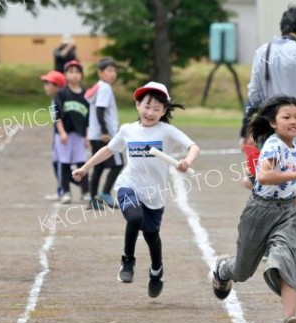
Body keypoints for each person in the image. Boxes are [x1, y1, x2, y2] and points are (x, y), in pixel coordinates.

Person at [72, 82, 199, 298]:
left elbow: (193, 146)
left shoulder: (166, 131)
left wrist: (187, 160)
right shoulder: (128, 130)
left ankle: (156, 270)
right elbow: (108, 150)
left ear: (164, 111)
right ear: (138, 105)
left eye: (157, 108)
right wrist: (85, 168)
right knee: (134, 218)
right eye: (147, 106)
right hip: (128, 185)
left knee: (152, 237)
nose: (150, 112)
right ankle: (127, 262)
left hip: (154, 195)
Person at [212, 96, 296, 323]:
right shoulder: (273, 145)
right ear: (272, 122)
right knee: (243, 270)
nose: (294, 121)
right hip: (260, 212)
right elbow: (265, 176)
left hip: (287, 213)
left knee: (287, 256)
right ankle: (223, 269)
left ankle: (290, 320)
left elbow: (288, 180)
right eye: (287, 117)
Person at [246, 4, 296, 262]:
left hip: (270, 131)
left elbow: (254, 95)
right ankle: (288, 245)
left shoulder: (262, 52)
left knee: (267, 185)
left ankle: (267, 242)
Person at [86, 57, 124, 210]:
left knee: (98, 166)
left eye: (114, 70)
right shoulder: (105, 88)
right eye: (109, 70)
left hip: (94, 134)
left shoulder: (98, 87)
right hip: (105, 135)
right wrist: (105, 131)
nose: (112, 74)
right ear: (100, 73)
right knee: (118, 164)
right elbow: (100, 110)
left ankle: (92, 199)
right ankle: (105, 193)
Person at [54, 60, 91, 204]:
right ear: (65, 74)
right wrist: (62, 132)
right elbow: (57, 116)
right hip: (65, 135)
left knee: (82, 164)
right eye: (71, 72)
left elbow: (88, 118)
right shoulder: (62, 94)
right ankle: (66, 192)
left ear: (81, 75)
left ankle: (85, 191)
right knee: (65, 164)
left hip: (80, 135)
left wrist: (87, 136)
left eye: (77, 72)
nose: (74, 75)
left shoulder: (86, 95)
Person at [40, 70, 67, 201]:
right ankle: (61, 189)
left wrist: (61, 132)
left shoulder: (59, 100)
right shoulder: (54, 99)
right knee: (56, 163)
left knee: (62, 164)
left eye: (48, 83)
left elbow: (59, 118)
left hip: (62, 136)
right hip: (57, 135)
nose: (45, 86)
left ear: (57, 86)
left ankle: (64, 189)